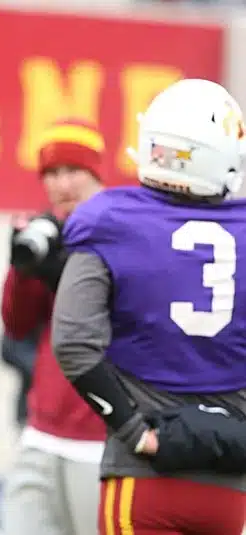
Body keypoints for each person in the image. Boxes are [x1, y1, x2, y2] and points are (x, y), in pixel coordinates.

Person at [53, 78, 246, 534]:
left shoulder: (108, 219)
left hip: (144, 474)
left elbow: (73, 342)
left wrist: (134, 432)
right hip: (231, 478)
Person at [0, 118, 107, 535]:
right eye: (52, 173)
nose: (62, 184)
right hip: (43, 426)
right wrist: (24, 267)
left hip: (99, 432)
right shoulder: (49, 234)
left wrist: (67, 272)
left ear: (95, 174)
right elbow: (16, 324)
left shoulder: (119, 233)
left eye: (73, 170)